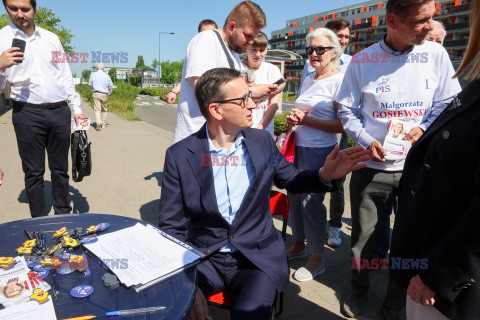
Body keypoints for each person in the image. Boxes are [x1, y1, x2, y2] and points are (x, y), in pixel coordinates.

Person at [159, 67, 369, 320]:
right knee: (175, 309)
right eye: (243, 99)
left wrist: (325, 174)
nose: (253, 105)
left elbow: (291, 179)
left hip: (256, 259)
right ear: (216, 110)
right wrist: (185, 285)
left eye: (251, 96)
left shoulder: (261, 142)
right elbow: (171, 227)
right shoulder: (180, 156)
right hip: (205, 257)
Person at [336, 0, 462, 317]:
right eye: (421, 20)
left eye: (432, 18)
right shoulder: (363, 61)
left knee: (410, 241)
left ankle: (394, 302)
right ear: (393, 20)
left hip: (419, 170)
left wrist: (423, 128)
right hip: (370, 167)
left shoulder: (436, 55)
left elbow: (449, 103)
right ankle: (358, 291)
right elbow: (347, 112)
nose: (429, 26)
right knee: (363, 238)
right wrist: (367, 140)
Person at [389, 1, 480, 318]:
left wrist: (439, 274)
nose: (430, 28)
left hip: (447, 285)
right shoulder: (475, 86)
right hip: (429, 261)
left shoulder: (449, 68)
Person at [0, 0, 84, 218]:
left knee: (60, 170)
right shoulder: (1, 39)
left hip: (59, 111)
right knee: (34, 172)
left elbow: (65, 75)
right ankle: (38, 221)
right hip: (27, 113)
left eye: (25, 9)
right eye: (13, 8)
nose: (19, 14)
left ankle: (63, 215)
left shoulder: (51, 39)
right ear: (5, 8)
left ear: (34, 9)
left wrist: (76, 109)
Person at [284, 28, 345, 282]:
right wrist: (293, 120)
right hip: (297, 145)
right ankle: (299, 244)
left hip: (320, 149)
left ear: (334, 52)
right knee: (295, 198)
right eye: (310, 49)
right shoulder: (310, 77)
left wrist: (306, 120)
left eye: (320, 49)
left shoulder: (340, 81)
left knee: (312, 203)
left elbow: (343, 125)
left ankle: (316, 258)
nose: (313, 54)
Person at [172, 1, 279, 144]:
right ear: (232, 26)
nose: (251, 41)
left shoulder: (233, 52)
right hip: (199, 140)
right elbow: (206, 93)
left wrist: (246, 87)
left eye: (254, 36)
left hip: (220, 141)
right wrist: (251, 92)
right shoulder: (205, 42)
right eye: (247, 35)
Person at [242, 31, 285, 137]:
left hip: (264, 131)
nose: (258, 54)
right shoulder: (237, 68)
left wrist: (260, 129)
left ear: (266, 50)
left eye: (262, 50)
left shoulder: (272, 70)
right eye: (253, 50)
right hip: (240, 132)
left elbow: (273, 105)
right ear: (246, 48)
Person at [166, 19, 218, 104]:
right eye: (204, 34)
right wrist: (174, 91)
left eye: (211, 33)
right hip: (197, 110)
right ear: (198, 35)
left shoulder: (219, 53)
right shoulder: (196, 52)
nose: (207, 37)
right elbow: (190, 77)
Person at [89, 62, 113, 131]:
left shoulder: (93, 75)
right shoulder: (106, 75)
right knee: (104, 109)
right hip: (104, 94)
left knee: (97, 109)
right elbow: (110, 87)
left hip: (96, 93)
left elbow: (90, 86)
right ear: (103, 68)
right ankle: (103, 124)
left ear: (96, 68)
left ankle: (98, 122)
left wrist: (94, 87)